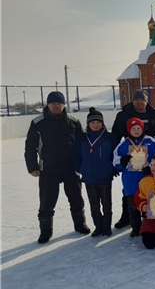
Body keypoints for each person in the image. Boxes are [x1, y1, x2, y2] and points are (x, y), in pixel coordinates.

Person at [24, 91, 90, 244]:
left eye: (59, 102)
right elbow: (30, 147)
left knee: (76, 198)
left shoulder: (73, 121)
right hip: (48, 169)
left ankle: (80, 225)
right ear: (48, 104)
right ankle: (45, 232)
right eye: (53, 102)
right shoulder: (38, 122)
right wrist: (32, 167)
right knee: (47, 202)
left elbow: (81, 146)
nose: (56, 105)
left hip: (70, 168)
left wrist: (81, 165)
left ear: (63, 104)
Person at [111, 90, 155, 229]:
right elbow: (116, 135)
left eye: (142, 99)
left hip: (148, 156)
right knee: (129, 193)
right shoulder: (124, 115)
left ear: (146, 101)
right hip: (132, 157)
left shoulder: (154, 114)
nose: (140, 102)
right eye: (137, 99)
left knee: (150, 193)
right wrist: (119, 162)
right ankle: (127, 217)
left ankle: (150, 221)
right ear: (132, 101)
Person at [72, 107, 118, 237]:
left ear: (102, 123)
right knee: (94, 204)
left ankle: (107, 227)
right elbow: (75, 156)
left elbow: (116, 155)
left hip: (105, 176)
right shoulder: (81, 138)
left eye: (98, 122)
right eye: (93, 122)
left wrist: (112, 169)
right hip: (89, 178)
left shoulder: (109, 137)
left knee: (107, 203)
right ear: (88, 124)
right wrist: (80, 169)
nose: (96, 125)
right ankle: (98, 227)